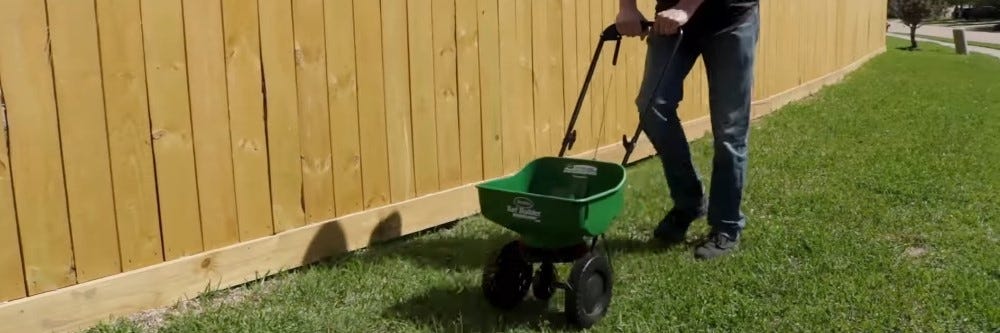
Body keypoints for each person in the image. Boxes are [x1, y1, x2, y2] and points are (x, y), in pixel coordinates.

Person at [615, 0, 760, 260]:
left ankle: (726, 224)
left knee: (730, 129)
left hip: (731, 17)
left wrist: (687, 7)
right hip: (671, 19)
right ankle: (689, 202)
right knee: (652, 106)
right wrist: (627, 7)